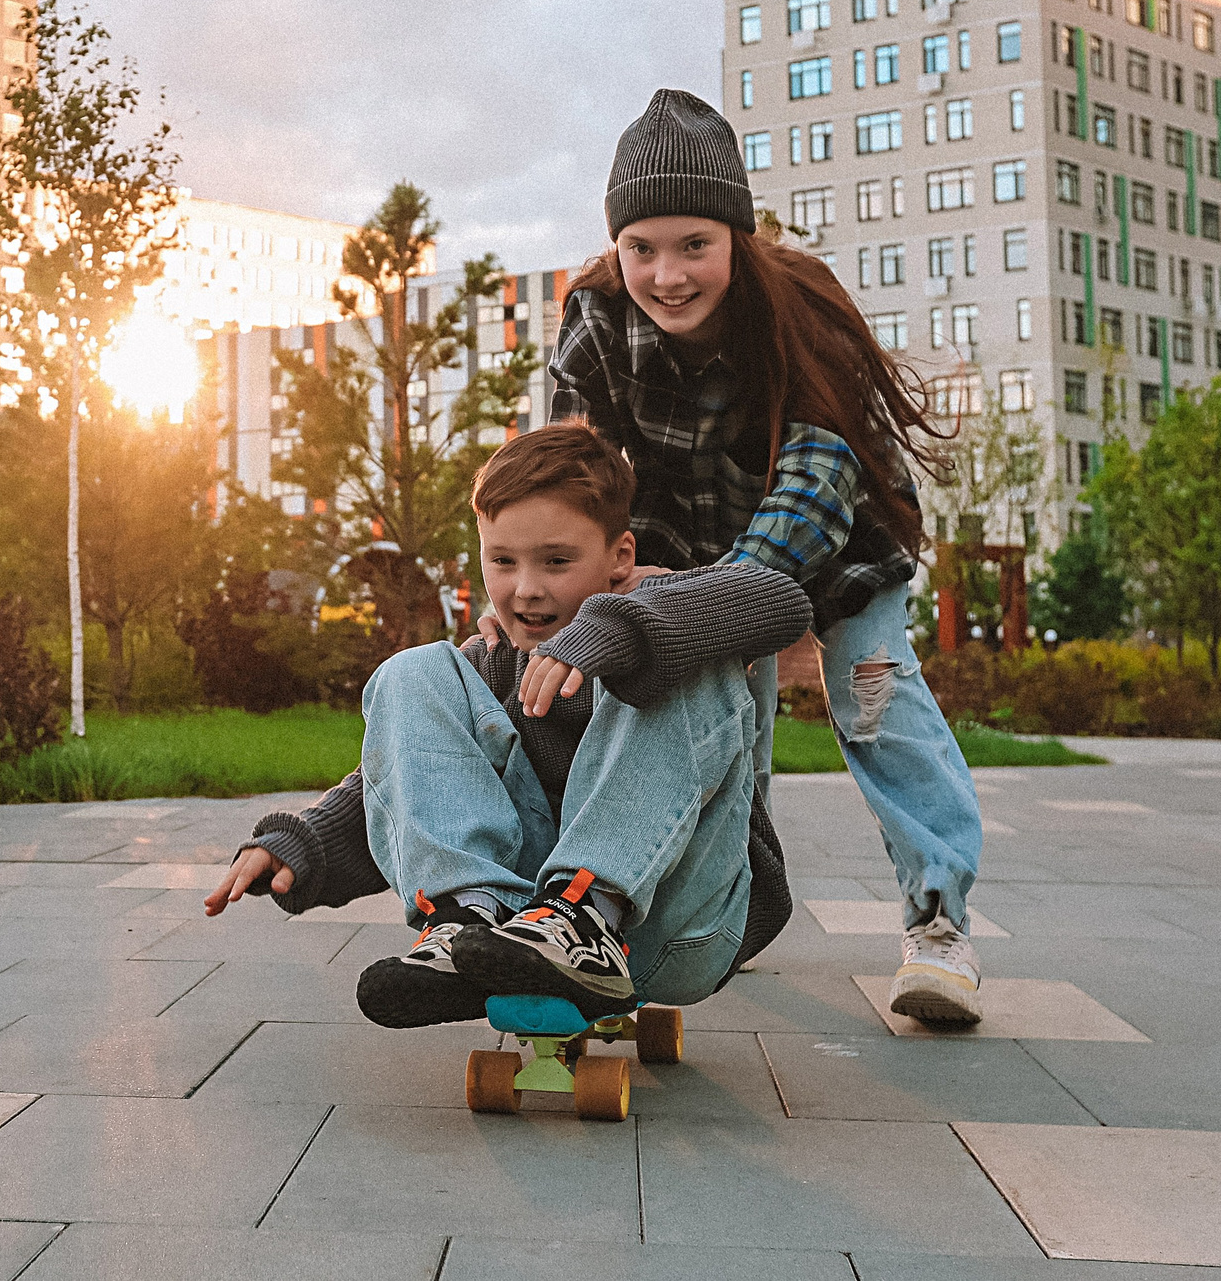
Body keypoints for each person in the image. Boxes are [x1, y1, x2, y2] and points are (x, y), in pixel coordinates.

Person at [544, 86, 989, 1026]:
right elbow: (576, 480)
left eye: (693, 246)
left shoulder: (797, 311)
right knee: (703, 713)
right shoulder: (595, 319)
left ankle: (939, 922)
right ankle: (723, 909)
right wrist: (580, 589)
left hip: (833, 542)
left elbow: (813, 489)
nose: (667, 275)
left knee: (876, 703)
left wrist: (722, 602)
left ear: (736, 238)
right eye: (641, 248)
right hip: (681, 542)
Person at [202, 420, 811, 1027]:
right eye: (503, 561)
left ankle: (586, 918)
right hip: (514, 936)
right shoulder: (493, 663)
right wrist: (302, 845)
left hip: (678, 926)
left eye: (556, 562)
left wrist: (615, 626)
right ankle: (466, 918)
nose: (526, 590)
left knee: (689, 652)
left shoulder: (667, 604)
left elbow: (782, 600)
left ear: (620, 556)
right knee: (414, 671)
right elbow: (411, 780)